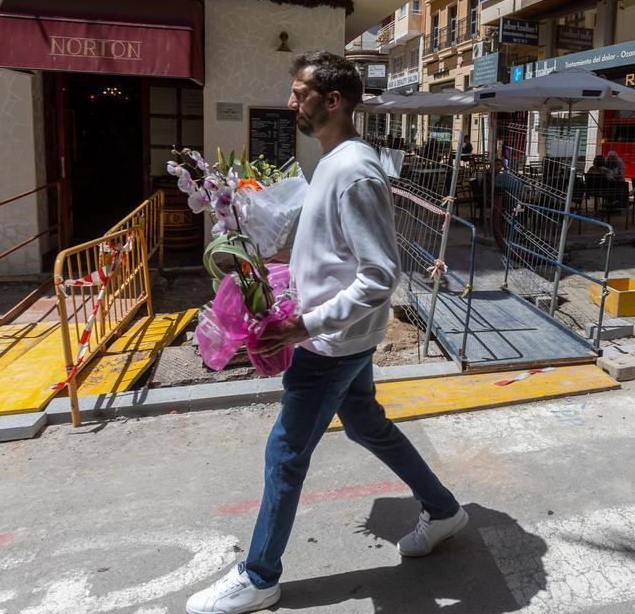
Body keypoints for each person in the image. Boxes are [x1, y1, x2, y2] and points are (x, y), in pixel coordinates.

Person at [186, 52, 467, 614]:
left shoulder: (354, 171)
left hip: (329, 343)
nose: (290, 101)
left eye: (299, 92)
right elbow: (335, 252)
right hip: (343, 338)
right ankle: (442, 510)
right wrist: (274, 263)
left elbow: (380, 275)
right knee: (366, 425)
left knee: (286, 451)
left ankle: (259, 575)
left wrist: (303, 324)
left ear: (332, 100)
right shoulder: (332, 162)